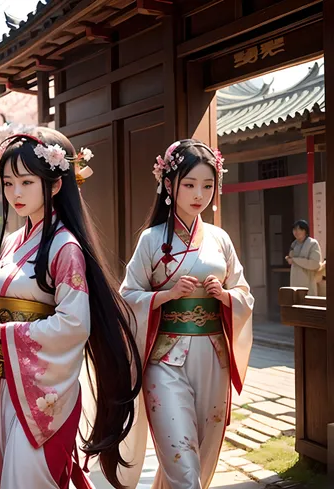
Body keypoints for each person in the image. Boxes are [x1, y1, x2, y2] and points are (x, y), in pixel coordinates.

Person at [0, 126, 142, 489]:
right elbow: (11, 302)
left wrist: (5, 331)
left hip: (45, 388)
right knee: (7, 471)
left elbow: (74, 324)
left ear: (56, 185)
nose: (15, 192)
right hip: (7, 377)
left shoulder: (65, 247)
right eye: (8, 182)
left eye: (27, 182)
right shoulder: (14, 241)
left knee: (26, 478)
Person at [120, 139, 254, 489]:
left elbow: (244, 293)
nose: (199, 194)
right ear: (168, 184)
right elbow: (128, 294)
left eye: (208, 186)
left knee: (203, 453)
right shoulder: (151, 240)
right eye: (190, 184)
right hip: (165, 359)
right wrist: (166, 295)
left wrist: (225, 296)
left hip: (213, 357)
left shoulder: (220, 239)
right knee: (181, 461)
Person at [286, 219, 323, 296]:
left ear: (305, 231)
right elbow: (291, 259)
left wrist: (295, 260)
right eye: (295, 229)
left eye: (300, 229)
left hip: (308, 283)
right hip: (295, 283)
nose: (297, 232)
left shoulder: (313, 243)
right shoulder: (294, 244)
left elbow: (315, 264)